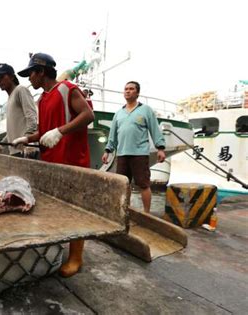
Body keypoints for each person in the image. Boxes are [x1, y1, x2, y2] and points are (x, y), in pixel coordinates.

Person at [13, 53, 94, 277]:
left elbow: (88, 115)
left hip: (72, 161)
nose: (29, 79)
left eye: (30, 73)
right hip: (51, 161)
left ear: (41, 71)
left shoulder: (67, 88)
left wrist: (61, 131)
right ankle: (57, 248)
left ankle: (76, 257)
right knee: (56, 209)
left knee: (75, 210)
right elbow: (46, 130)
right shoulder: (42, 100)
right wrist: (27, 139)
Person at [101, 81, 166, 213]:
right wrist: (107, 151)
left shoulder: (146, 110)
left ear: (137, 93)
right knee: (123, 185)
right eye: (126, 89)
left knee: (144, 184)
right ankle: (125, 211)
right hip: (122, 154)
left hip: (139, 154)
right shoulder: (118, 113)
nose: (127, 91)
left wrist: (160, 148)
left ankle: (146, 213)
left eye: (131, 89)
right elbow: (113, 135)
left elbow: (155, 129)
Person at [0, 63, 38, 158]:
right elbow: (12, 131)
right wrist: (1, 145)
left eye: (2, 77)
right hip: (16, 151)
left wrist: (28, 142)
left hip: (26, 151)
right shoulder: (10, 99)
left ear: (11, 77)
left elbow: (32, 117)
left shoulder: (21, 90)